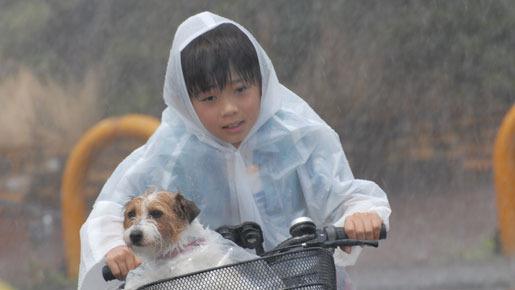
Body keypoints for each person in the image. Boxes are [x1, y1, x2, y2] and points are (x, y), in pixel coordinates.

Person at [78, 11, 391, 290]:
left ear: (262, 82)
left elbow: (345, 194)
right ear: (185, 102)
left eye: (241, 90)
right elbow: (111, 208)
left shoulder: (298, 137)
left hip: (304, 279)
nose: (229, 109)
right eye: (209, 98)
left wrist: (361, 214)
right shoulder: (170, 152)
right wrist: (113, 248)